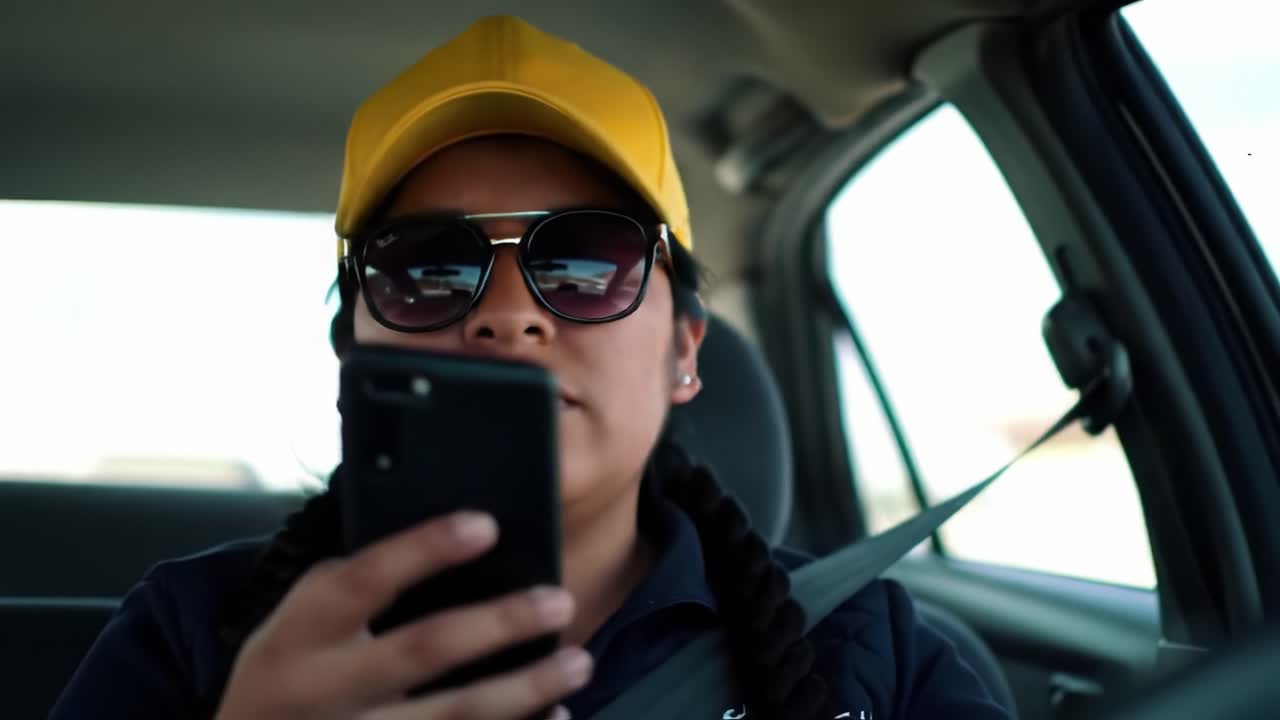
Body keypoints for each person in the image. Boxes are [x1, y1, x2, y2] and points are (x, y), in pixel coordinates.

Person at [52, 16, 1010, 720]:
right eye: (428, 270)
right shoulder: (189, 632)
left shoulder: (864, 645)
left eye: (587, 263)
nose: (508, 315)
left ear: (683, 351)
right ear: (354, 351)